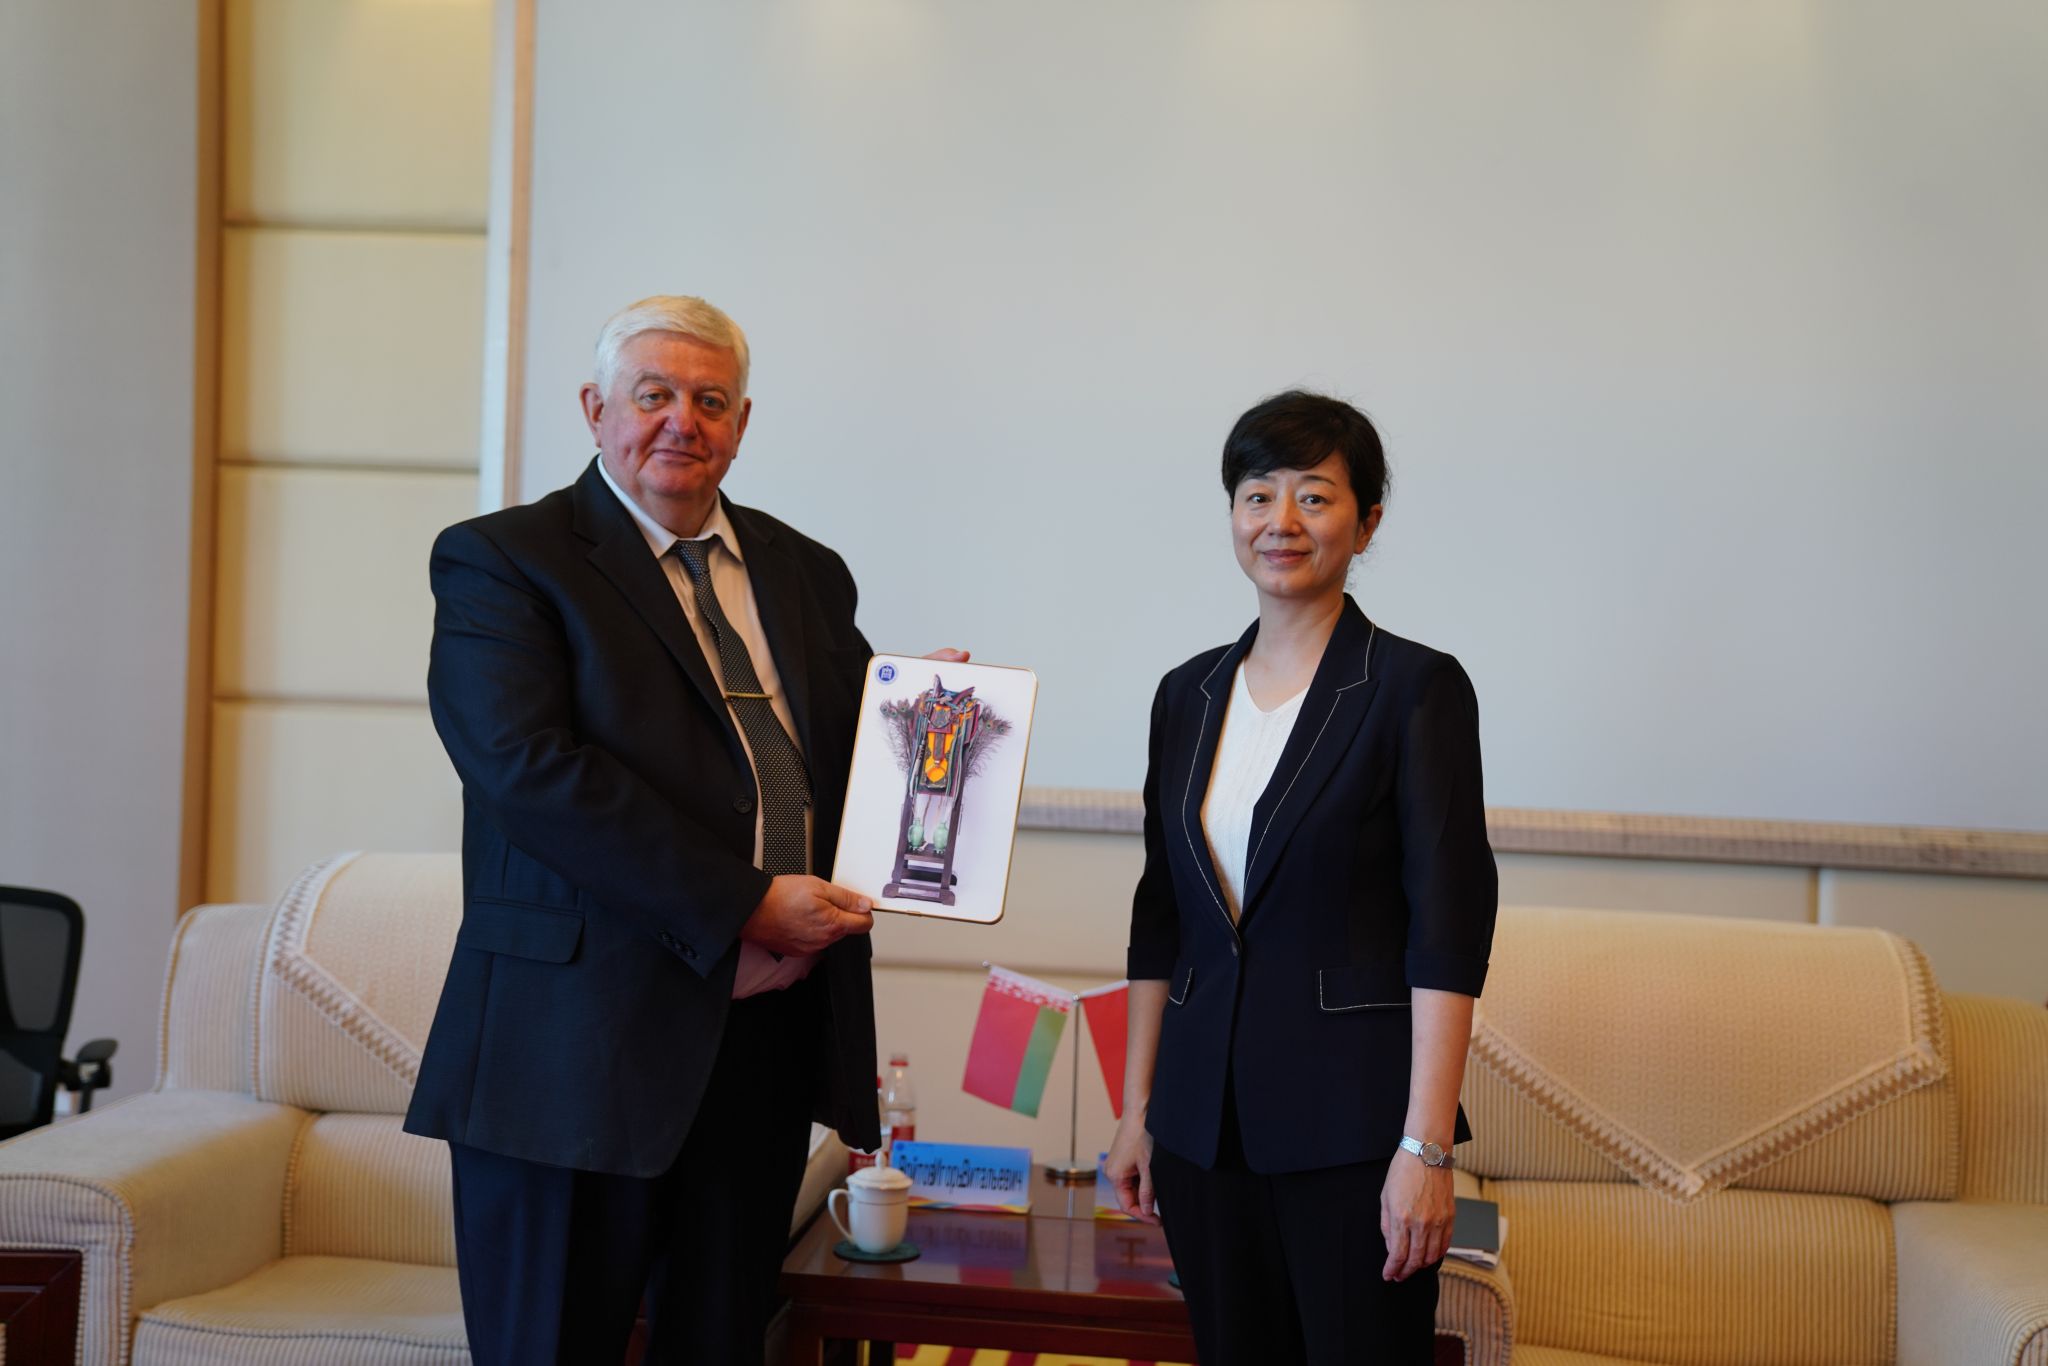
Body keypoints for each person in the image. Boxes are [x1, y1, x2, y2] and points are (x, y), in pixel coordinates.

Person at [403, 295, 962, 1364]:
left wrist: (925, 727)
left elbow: (842, 758)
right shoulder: (503, 560)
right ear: (595, 408)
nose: (680, 422)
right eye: (652, 394)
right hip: (575, 1050)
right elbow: (528, 771)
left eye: (709, 401)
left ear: (742, 423)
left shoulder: (805, 570)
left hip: (761, 1043)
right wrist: (745, 903)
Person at [1104, 390, 1498, 1363]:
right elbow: (1161, 920)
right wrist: (1137, 1111)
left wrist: (1424, 1148)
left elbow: (1447, 929)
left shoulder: (1413, 688)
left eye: (1313, 496)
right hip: (1201, 1132)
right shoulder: (1186, 694)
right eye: (1257, 494)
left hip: (1352, 1135)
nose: (1280, 520)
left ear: (1365, 522)